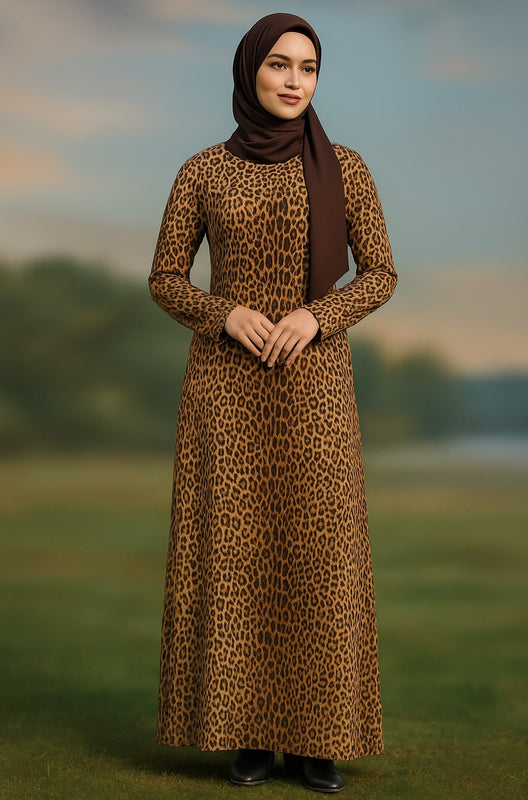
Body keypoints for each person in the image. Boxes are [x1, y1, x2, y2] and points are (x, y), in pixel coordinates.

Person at [149, 12, 397, 795]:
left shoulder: (346, 168)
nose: (295, 81)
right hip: (225, 390)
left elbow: (381, 272)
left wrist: (315, 315)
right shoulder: (201, 172)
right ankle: (247, 732)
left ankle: (317, 738)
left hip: (315, 386)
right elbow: (163, 277)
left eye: (309, 68)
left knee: (318, 560)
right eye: (280, 65)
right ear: (249, 70)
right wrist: (222, 311)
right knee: (235, 555)